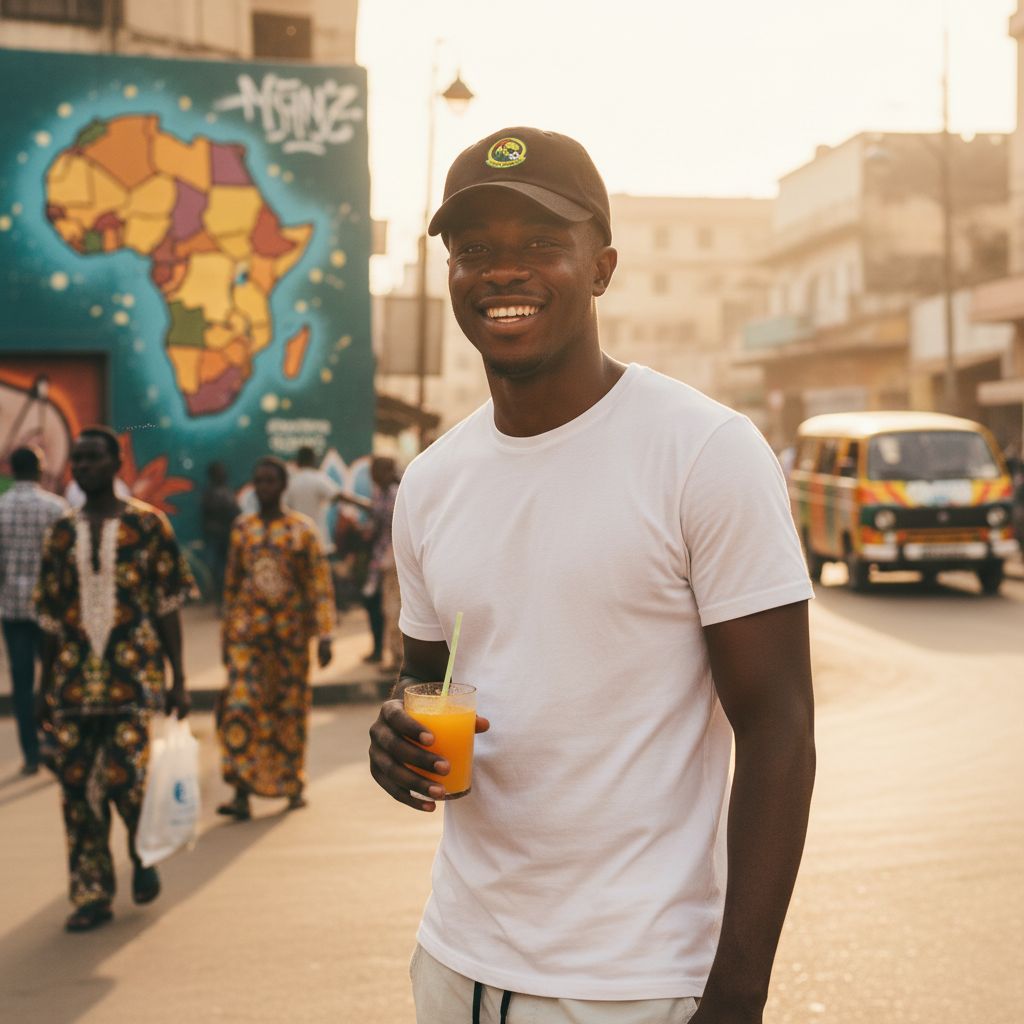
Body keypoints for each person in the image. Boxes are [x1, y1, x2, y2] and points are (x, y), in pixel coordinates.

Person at [368, 127, 816, 1024]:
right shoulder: (433, 481)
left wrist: (736, 997)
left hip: (635, 986)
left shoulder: (704, 453)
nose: (503, 270)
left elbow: (779, 729)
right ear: (450, 274)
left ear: (602, 267)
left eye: (541, 244)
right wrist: (394, 737)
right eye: (474, 250)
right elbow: (427, 679)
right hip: (454, 963)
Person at [35, 426, 195, 933]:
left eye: (93, 458)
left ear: (116, 464)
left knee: (130, 782)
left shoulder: (149, 527)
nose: (82, 466)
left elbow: (168, 607)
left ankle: (141, 853)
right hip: (73, 685)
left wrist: (179, 677)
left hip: (134, 680)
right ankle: (90, 894)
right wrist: (43, 689)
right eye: (76, 459)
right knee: (78, 791)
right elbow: (50, 619)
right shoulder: (61, 533)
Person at [216, 456, 335, 820]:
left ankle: (292, 784)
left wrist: (325, 634)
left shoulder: (302, 530)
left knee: (289, 712)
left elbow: (318, 583)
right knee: (240, 709)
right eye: (259, 481)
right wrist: (225, 634)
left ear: (283, 486)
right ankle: (240, 790)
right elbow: (232, 584)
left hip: (290, 640)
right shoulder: (242, 529)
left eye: (270, 481)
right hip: (246, 638)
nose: (264, 487)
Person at [0, 445, 69, 775]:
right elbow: (66, 561)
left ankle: (30, 754)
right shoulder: (56, 509)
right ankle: (55, 741)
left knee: (22, 681)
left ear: (11, 469)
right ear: (40, 469)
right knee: (55, 676)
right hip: (50, 610)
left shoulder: (1, 508)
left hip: (12, 609)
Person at [337, 457, 401, 669]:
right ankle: (387, 654)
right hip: (382, 560)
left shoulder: (394, 492)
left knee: (393, 610)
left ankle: (397, 658)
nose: (372, 475)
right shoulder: (383, 492)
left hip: (394, 560)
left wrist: (353, 502)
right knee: (384, 609)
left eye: (376, 470)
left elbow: (382, 515)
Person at [283, 445, 342, 554]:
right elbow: (337, 496)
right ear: (312, 460)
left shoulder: (290, 482)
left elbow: (283, 507)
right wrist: (364, 504)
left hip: (296, 539)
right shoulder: (318, 478)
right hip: (318, 537)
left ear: (298, 461)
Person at [200, 460, 240, 607]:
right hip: (217, 537)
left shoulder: (222, 494)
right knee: (217, 570)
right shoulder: (215, 494)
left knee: (223, 570)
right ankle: (220, 600)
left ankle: (222, 600)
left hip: (223, 537)